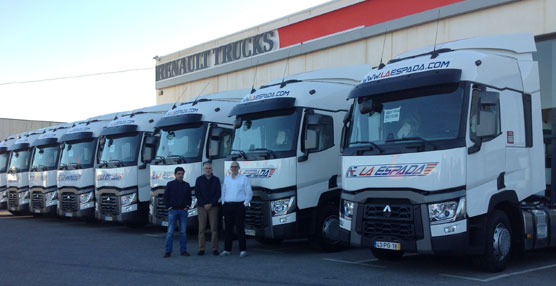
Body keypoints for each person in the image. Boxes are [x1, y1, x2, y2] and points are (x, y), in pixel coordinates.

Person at [220, 161, 253, 257]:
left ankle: (243, 250)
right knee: (228, 229)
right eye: (232, 167)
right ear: (230, 168)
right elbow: (224, 191)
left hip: (239, 206)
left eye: (235, 167)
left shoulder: (244, 179)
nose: (233, 168)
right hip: (227, 205)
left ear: (238, 168)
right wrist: (223, 203)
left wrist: (245, 203)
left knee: (240, 228)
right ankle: (227, 250)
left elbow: (249, 192)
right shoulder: (227, 179)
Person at [163, 166, 192, 257]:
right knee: (170, 232)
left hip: (183, 211)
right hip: (172, 211)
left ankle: (183, 251)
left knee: (183, 232)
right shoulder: (170, 184)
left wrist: (187, 207)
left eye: (182, 174)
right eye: (179, 174)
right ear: (175, 174)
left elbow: (189, 198)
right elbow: (165, 197)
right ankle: (168, 251)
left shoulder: (186, 185)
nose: (180, 175)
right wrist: (169, 207)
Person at [195, 161, 221, 256]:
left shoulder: (216, 180)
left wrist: (211, 203)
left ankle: (215, 248)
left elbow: (218, 193)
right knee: (201, 229)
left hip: (213, 207)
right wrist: (204, 204)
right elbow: (197, 193)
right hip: (201, 207)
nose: (208, 170)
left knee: (214, 228)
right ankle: (201, 248)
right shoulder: (199, 180)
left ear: (212, 169)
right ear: (203, 169)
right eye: (206, 168)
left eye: (209, 168)